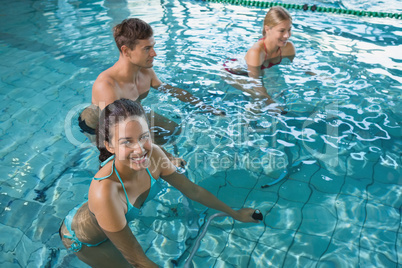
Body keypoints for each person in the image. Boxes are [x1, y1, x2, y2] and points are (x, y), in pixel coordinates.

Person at [60, 99, 260, 267]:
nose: (140, 150)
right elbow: (137, 259)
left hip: (103, 218)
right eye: (126, 141)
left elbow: (193, 190)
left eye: (144, 137)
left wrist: (235, 214)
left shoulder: (154, 154)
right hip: (85, 240)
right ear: (110, 146)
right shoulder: (106, 192)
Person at [79, 18, 224, 155]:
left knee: (172, 131)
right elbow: (122, 131)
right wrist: (166, 156)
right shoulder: (107, 86)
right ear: (126, 51)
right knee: (129, 156)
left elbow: (170, 90)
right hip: (100, 126)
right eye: (147, 49)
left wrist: (205, 107)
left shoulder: (145, 70)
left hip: (131, 114)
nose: (154, 54)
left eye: (153, 47)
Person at [223, 6, 295, 108]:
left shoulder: (288, 47)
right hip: (234, 73)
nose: (287, 35)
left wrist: (317, 75)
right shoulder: (256, 52)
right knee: (259, 99)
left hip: (258, 69)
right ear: (267, 29)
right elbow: (256, 83)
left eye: (289, 29)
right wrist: (271, 104)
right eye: (282, 31)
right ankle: (245, 123)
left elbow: (295, 65)